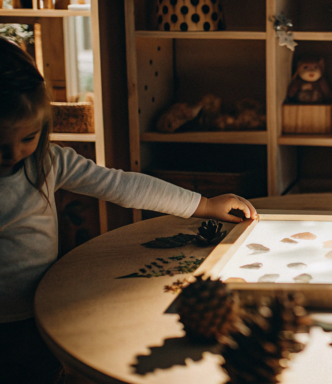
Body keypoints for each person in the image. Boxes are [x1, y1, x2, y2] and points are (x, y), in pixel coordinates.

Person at [0, 37, 257, 383]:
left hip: (42, 309)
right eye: (0, 144)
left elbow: (122, 186)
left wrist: (205, 205)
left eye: (28, 138)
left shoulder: (49, 161)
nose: (14, 154)